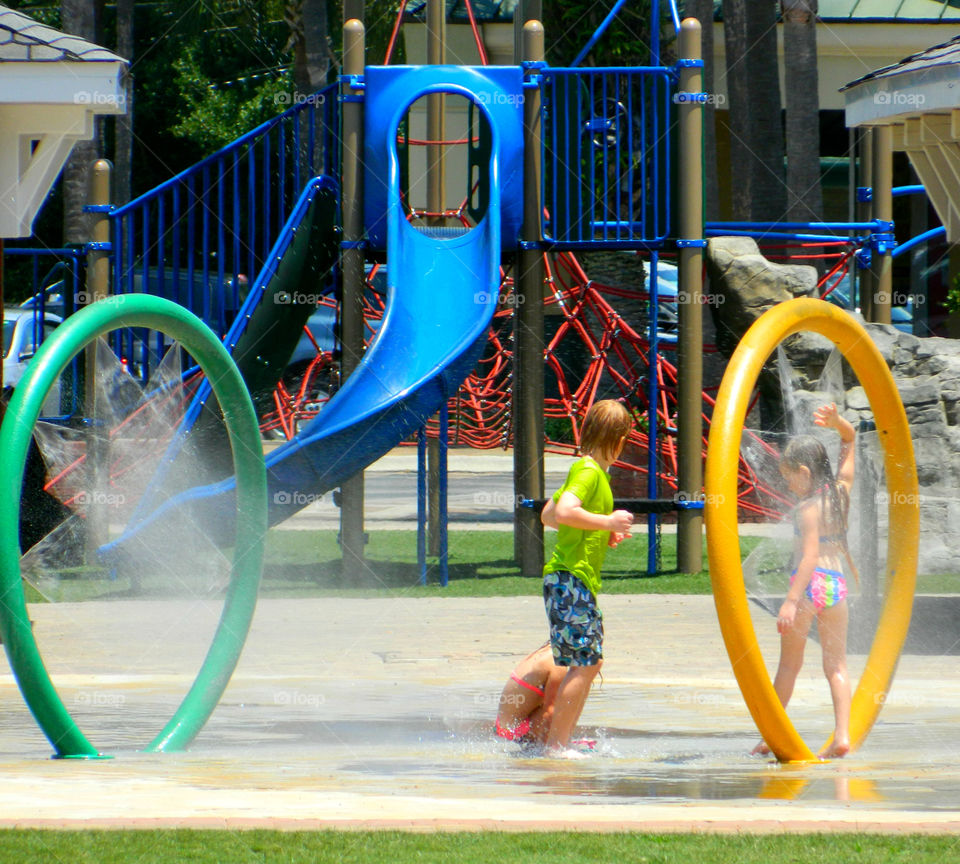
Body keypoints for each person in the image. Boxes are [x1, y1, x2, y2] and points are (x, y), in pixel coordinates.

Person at [756, 403, 857, 759]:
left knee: (789, 665)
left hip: (810, 586)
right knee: (837, 666)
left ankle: (771, 736)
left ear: (803, 471)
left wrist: (790, 600)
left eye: (789, 478)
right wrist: (838, 424)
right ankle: (842, 736)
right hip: (836, 587)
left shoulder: (806, 509)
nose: (787, 484)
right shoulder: (840, 495)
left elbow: (809, 557)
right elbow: (850, 441)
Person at [539, 399, 634, 758]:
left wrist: (599, 532)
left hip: (571, 581)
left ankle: (560, 740)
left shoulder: (585, 469)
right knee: (586, 662)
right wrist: (608, 522)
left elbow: (549, 515)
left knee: (586, 662)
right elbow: (562, 512)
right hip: (570, 580)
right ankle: (556, 746)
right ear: (620, 439)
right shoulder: (590, 472)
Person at [494, 643, 567, 745]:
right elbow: (550, 711)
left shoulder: (542, 652)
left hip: (502, 726)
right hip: (519, 730)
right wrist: (552, 747)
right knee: (564, 704)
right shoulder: (557, 665)